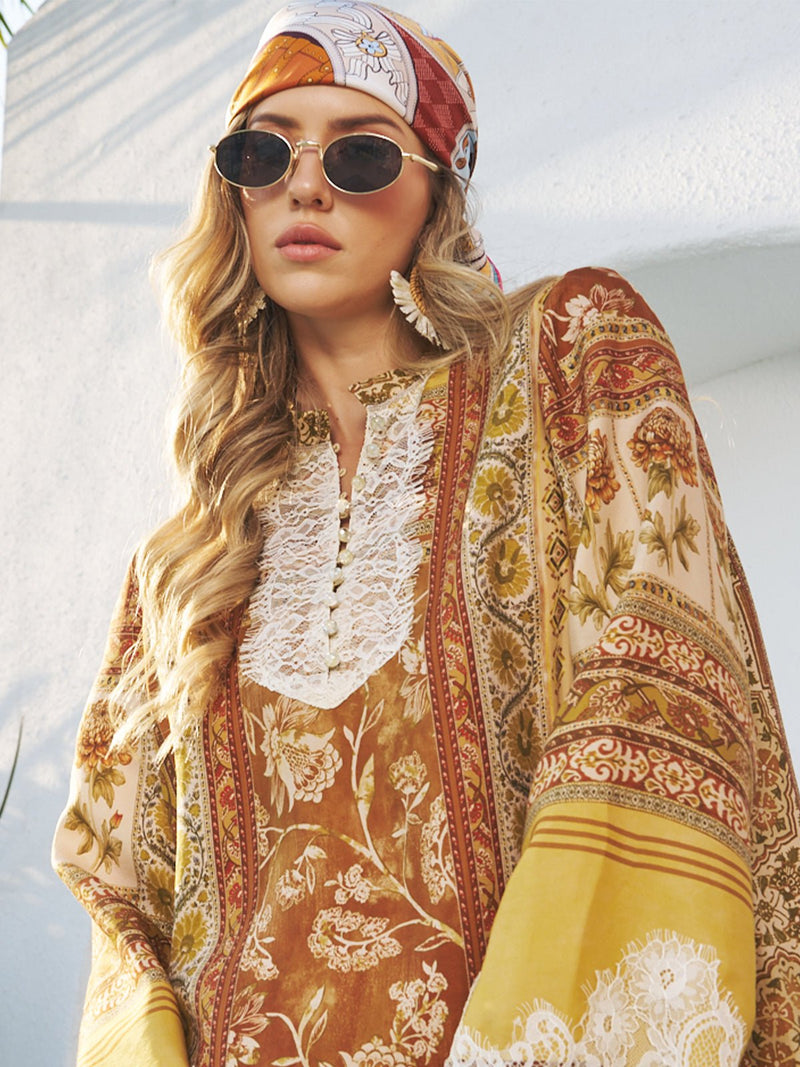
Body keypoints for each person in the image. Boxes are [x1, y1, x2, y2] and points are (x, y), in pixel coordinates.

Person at [52, 3, 800, 1065]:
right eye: (262, 154)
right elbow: (120, 892)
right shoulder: (181, 564)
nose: (304, 187)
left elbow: (658, 693)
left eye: (358, 155)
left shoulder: (572, 357)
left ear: (437, 189)